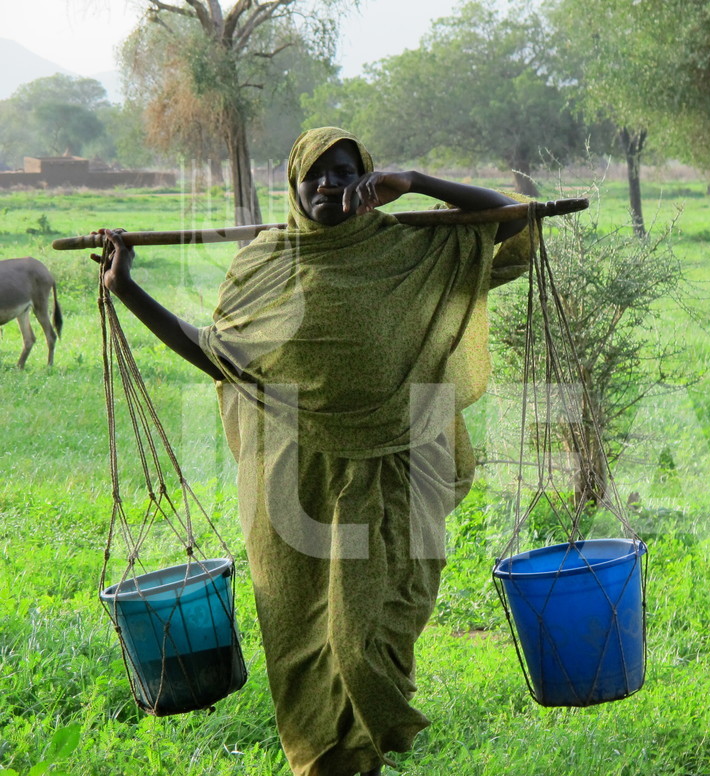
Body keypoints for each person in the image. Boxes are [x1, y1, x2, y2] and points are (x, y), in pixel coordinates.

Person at [95, 127, 532, 776]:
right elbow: (216, 357)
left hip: (393, 479)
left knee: (365, 642)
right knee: (303, 646)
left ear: (369, 182)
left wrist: (415, 184)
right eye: (316, 175)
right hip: (293, 489)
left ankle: (364, 751)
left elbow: (515, 220)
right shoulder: (264, 265)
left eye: (347, 172)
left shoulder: (412, 250)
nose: (331, 183)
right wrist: (126, 290)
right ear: (294, 187)